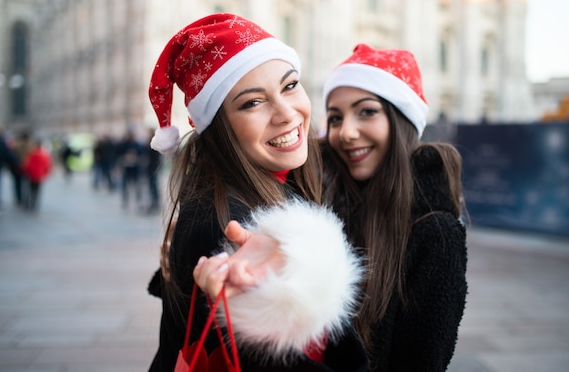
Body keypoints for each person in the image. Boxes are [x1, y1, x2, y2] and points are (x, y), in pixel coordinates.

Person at [198, 43, 468, 371]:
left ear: (402, 120)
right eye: (336, 118)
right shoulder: (320, 199)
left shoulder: (437, 233)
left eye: (367, 111)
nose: (346, 133)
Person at [147, 13, 367, 372]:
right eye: (252, 103)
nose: (286, 113)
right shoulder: (228, 224)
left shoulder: (280, 181)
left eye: (290, 85)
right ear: (220, 127)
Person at [22, 138, 53, 212]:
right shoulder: (45, 154)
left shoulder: (32, 153)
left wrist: (26, 171)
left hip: (31, 175)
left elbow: (27, 164)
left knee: (29, 189)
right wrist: (45, 174)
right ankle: (34, 204)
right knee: (37, 191)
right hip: (39, 176)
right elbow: (47, 166)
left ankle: (27, 204)